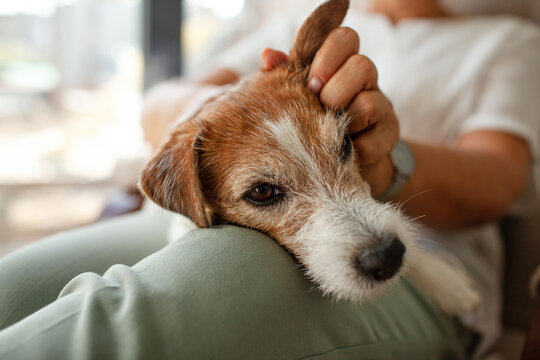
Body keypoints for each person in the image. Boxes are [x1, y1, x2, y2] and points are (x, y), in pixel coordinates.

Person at [1, 0, 539, 358]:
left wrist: (383, 157)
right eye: (266, 190)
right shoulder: (285, 30)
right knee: (15, 286)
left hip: (429, 270)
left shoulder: (508, 42)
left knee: (141, 309)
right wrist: (221, 116)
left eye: (343, 144)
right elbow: (156, 108)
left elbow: (499, 183)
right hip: (187, 222)